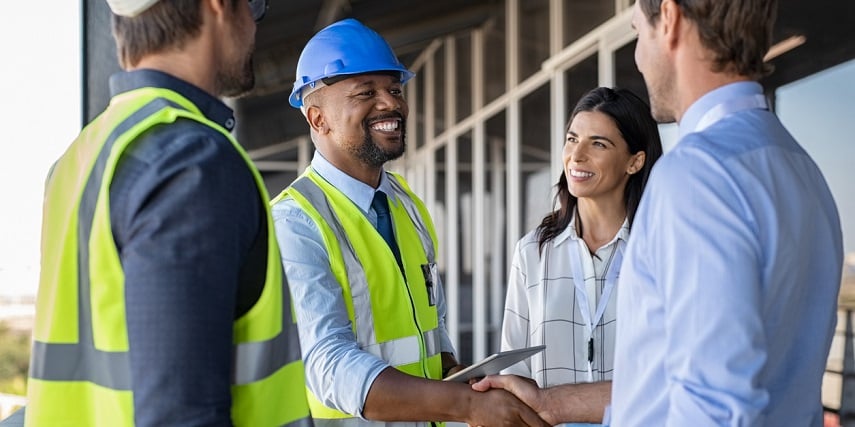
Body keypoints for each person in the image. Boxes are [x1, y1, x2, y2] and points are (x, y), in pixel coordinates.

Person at [25, 1, 312, 426]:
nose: (254, 22)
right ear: (217, 6)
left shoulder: (80, 156)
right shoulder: (191, 162)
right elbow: (180, 416)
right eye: (252, 4)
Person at [271, 18, 548, 427]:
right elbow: (329, 365)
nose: (391, 104)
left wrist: (465, 380)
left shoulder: (405, 203)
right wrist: (467, 407)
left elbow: (431, 332)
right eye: (366, 93)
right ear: (317, 119)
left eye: (395, 90)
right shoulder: (295, 222)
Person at [499, 87, 662, 426]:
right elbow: (513, 368)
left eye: (598, 144)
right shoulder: (532, 252)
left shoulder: (661, 249)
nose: (577, 155)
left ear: (635, 161)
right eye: (572, 139)